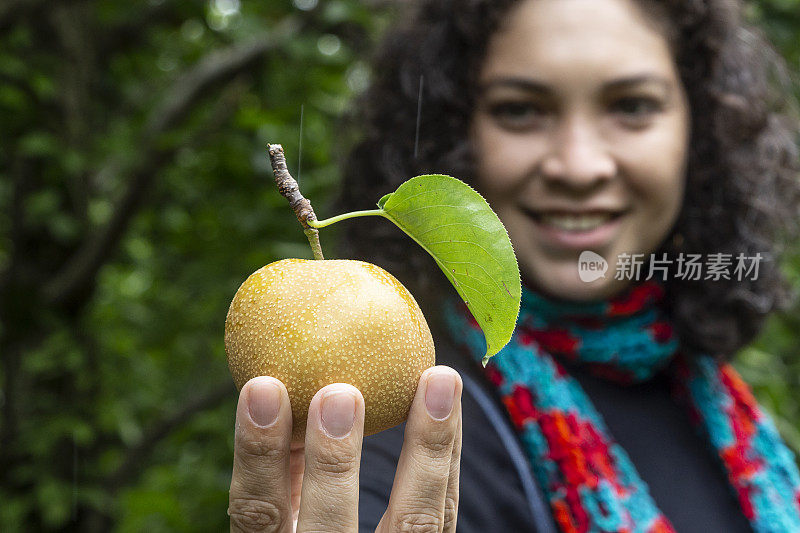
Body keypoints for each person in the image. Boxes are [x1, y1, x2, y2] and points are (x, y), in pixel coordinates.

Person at [228, 0, 800, 531]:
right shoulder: (414, 418)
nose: (579, 166)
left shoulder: (713, 399)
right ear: (457, 132)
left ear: (697, 132)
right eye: (520, 110)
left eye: (631, 106)